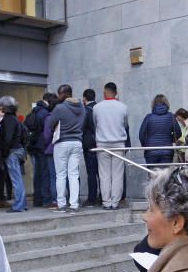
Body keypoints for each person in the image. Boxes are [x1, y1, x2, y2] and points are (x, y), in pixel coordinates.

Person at [44, 84, 87, 213]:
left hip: (62, 142)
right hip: (77, 142)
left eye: (59, 94)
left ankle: (61, 204)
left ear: (63, 94)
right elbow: (83, 123)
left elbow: (50, 124)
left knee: (61, 174)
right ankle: (74, 204)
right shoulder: (81, 107)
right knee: (73, 174)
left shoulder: (59, 108)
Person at [93, 82, 130, 210]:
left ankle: (106, 202)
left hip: (102, 143)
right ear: (116, 92)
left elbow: (95, 123)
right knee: (118, 174)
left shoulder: (97, 107)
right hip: (119, 143)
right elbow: (125, 124)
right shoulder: (123, 107)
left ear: (104, 92)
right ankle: (115, 202)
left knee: (104, 174)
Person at [0, 96, 28, 213]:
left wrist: (4, 152)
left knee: (16, 179)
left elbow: (7, 138)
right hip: (18, 150)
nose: (0, 109)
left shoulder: (8, 120)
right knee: (18, 178)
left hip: (12, 151)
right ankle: (22, 204)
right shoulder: (15, 119)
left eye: (1, 106)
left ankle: (19, 205)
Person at [25, 93, 57, 208]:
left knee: (37, 173)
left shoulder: (34, 111)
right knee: (45, 173)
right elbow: (47, 132)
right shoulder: (45, 113)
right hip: (42, 146)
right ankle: (46, 199)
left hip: (33, 147)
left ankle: (37, 199)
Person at [139, 94, 181, 166]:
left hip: (151, 151)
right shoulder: (171, 116)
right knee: (165, 175)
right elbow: (179, 133)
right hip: (167, 151)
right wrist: (169, 139)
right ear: (166, 103)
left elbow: (141, 135)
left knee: (152, 175)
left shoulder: (148, 117)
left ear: (153, 104)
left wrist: (145, 146)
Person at [82, 88, 100, 206]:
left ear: (84, 98)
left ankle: (92, 198)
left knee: (91, 172)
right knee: (101, 172)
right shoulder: (99, 108)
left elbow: (82, 127)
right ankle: (103, 195)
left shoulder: (86, 111)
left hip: (89, 145)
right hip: (101, 143)